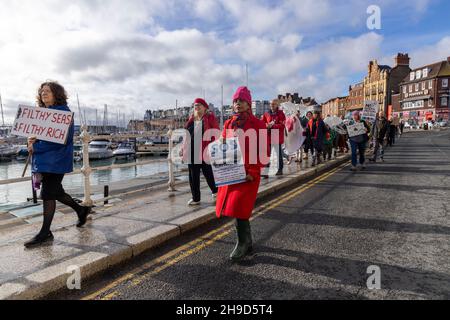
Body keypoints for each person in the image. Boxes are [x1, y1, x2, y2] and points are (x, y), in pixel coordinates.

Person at [25, 82, 91, 248]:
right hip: (43, 161)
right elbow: (39, 137)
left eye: (48, 91)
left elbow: (61, 140)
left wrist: (36, 147)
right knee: (56, 192)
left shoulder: (64, 114)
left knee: (47, 194)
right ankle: (81, 210)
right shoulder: (40, 114)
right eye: (42, 91)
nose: (43, 93)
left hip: (56, 161)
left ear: (56, 94)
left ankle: (45, 232)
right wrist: (31, 141)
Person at [216, 86, 267, 261]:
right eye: (235, 101)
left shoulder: (257, 124)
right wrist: (219, 145)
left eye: (241, 101)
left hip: (249, 173)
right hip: (232, 171)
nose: (238, 104)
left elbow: (262, 149)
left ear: (248, 104)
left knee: (239, 206)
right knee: (236, 208)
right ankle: (246, 241)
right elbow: (224, 145)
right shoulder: (229, 123)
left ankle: (243, 243)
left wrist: (253, 171)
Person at [183, 98, 219, 206]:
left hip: (205, 150)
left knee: (208, 173)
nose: (196, 107)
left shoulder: (209, 117)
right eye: (195, 105)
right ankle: (196, 198)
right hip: (192, 150)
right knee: (193, 176)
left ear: (204, 107)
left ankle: (215, 191)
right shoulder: (191, 119)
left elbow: (216, 132)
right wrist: (183, 149)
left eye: (199, 105)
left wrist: (212, 147)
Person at [262, 99, 286, 176]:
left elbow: (283, 125)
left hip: (276, 135)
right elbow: (262, 123)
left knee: (278, 154)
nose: (272, 105)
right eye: (271, 104)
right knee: (267, 154)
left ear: (277, 105)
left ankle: (280, 170)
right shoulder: (266, 114)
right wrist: (265, 125)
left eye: (274, 104)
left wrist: (273, 126)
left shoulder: (281, 113)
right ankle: (265, 172)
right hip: (268, 135)